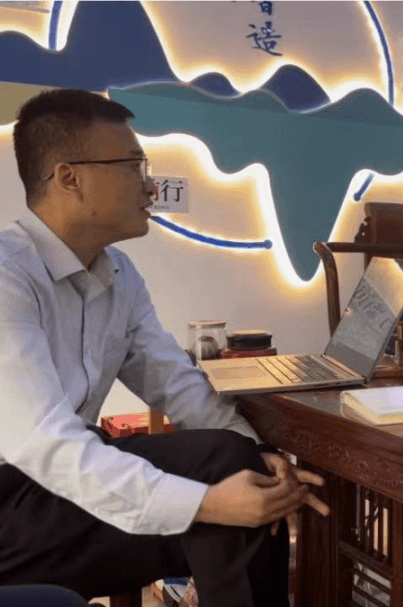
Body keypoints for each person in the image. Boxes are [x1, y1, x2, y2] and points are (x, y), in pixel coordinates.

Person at [0, 89, 329, 606]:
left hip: (64, 487)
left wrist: (261, 454)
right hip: (12, 504)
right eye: (133, 166)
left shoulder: (119, 275)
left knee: (237, 469)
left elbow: (175, 381)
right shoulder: (8, 278)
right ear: (69, 177)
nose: (150, 185)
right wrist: (208, 502)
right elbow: (46, 446)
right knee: (221, 492)